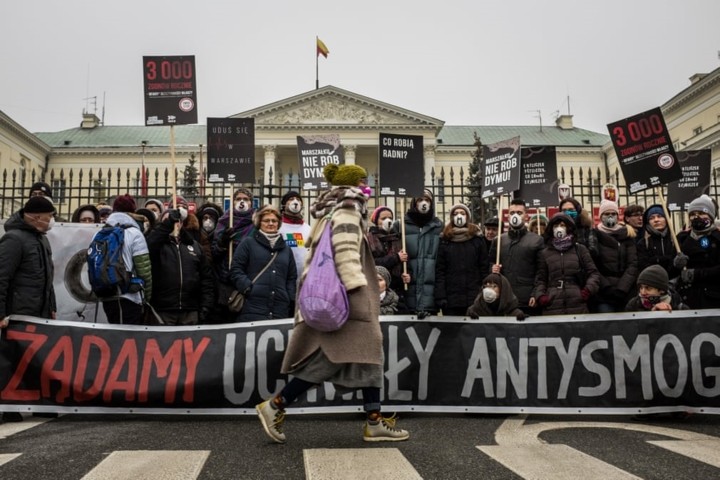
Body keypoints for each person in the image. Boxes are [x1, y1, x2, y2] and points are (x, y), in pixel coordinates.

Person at [256, 163, 409, 444]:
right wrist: (357, 288)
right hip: (349, 297)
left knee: (367, 357)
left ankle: (373, 420)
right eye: (364, 181)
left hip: (333, 295)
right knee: (333, 358)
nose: (368, 186)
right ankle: (276, 404)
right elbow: (346, 252)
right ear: (354, 184)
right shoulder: (349, 209)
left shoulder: (329, 212)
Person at [0, 196, 57, 423]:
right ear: (36, 217)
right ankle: (7, 404)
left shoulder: (41, 239)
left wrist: (51, 307)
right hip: (19, 311)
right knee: (10, 359)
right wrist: (1, 313)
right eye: (49, 216)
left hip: (39, 311)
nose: (52, 220)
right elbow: (2, 277)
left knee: (36, 358)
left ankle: (37, 402)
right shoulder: (14, 239)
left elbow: (47, 278)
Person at [146, 209, 214, 325]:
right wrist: (168, 223)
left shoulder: (195, 247)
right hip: (163, 310)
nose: (173, 224)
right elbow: (151, 244)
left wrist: (206, 306)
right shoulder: (157, 245)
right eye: (167, 221)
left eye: (175, 220)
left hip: (190, 310)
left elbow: (206, 279)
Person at [230, 205, 297, 321]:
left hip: (279, 309)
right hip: (252, 308)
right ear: (259, 223)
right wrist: (248, 288)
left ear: (278, 224)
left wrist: (289, 296)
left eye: (274, 221)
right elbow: (236, 269)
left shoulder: (286, 250)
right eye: (266, 220)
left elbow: (291, 277)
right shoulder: (248, 243)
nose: (270, 223)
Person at [94, 194, 153, 324]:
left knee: (114, 336)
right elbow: (144, 270)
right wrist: (146, 298)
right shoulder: (135, 233)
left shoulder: (100, 232)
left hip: (107, 294)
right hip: (129, 296)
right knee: (128, 340)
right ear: (133, 211)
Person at [533, 213, 600, 315]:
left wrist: (586, 291)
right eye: (556, 226)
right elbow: (540, 279)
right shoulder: (545, 253)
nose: (559, 228)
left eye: (562, 225)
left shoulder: (580, 249)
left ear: (569, 228)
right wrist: (541, 296)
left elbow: (593, 273)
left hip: (578, 305)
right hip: (552, 306)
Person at [489, 198, 545, 315]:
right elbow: (489, 264)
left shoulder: (536, 240)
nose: (515, 216)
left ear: (526, 216)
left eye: (519, 213)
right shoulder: (498, 241)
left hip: (527, 300)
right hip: (504, 299)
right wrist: (492, 268)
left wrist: (536, 293)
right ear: (508, 217)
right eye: (512, 213)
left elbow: (541, 271)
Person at [396, 188, 443, 318]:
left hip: (430, 295)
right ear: (414, 203)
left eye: (427, 200)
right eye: (420, 200)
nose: (424, 203)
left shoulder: (439, 226)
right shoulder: (401, 226)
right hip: (407, 291)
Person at [435, 204, 489, 315]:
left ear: (467, 217)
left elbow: (483, 267)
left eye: (462, 213)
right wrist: (441, 296)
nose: (459, 216)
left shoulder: (477, 239)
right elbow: (440, 270)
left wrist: (484, 292)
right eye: (455, 214)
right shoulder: (444, 240)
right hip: (451, 299)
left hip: (474, 297)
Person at [589, 200, 638, 313]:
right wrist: (606, 287)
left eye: (613, 213)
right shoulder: (594, 236)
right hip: (603, 294)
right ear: (601, 216)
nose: (610, 216)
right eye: (606, 214)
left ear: (618, 216)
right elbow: (592, 265)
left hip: (626, 292)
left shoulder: (627, 235)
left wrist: (622, 288)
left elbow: (633, 265)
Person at [675, 194, 720, 309]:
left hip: (711, 298)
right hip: (686, 298)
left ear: (710, 216)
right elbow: (670, 270)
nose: (696, 217)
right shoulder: (681, 238)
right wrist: (676, 263)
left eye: (701, 213)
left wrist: (696, 274)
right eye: (693, 215)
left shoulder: (717, 237)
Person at [366, 206, 408, 301]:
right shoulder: (369, 239)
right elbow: (372, 263)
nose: (388, 221)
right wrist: (396, 258)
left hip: (397, 288)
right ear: (376, 220)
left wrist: (406, 276)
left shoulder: (398, 239)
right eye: (383, 218)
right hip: (377, 287)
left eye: (390, 218)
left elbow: (405, 263)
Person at [636, 204, 679, 276]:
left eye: (660, 216)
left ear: (666, 219)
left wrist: (656, 259)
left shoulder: (676, 241)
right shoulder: (643, 243)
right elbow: (643, 265)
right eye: (652, 218)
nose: (656, 220)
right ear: (648, 222)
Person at [278, 191, 312, 282]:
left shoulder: (308, 228)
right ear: (284, 205)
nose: (295, 201)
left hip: (304, 280)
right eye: (291, 199)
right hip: (283, 279)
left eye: (298, 199)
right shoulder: (278, 227)